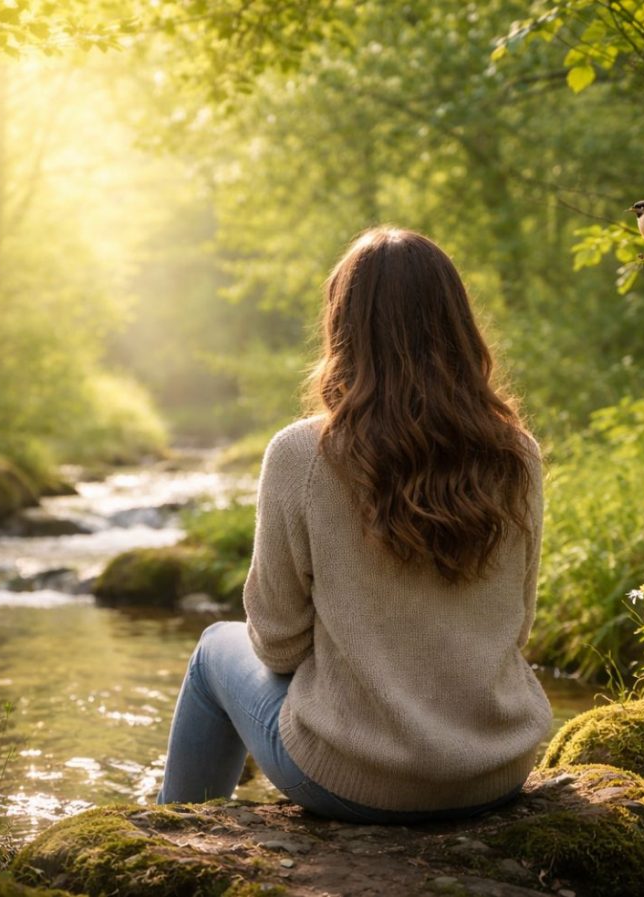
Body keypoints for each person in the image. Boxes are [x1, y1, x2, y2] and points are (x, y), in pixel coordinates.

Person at [157, 227, 552, 823]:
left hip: (354, 781)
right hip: (495, 772)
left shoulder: (301, 455)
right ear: (458, 326)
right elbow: (518, 627)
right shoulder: (517, 453)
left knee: (216, 647)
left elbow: (277, 640)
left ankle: (174, 838)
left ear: (345, 328)